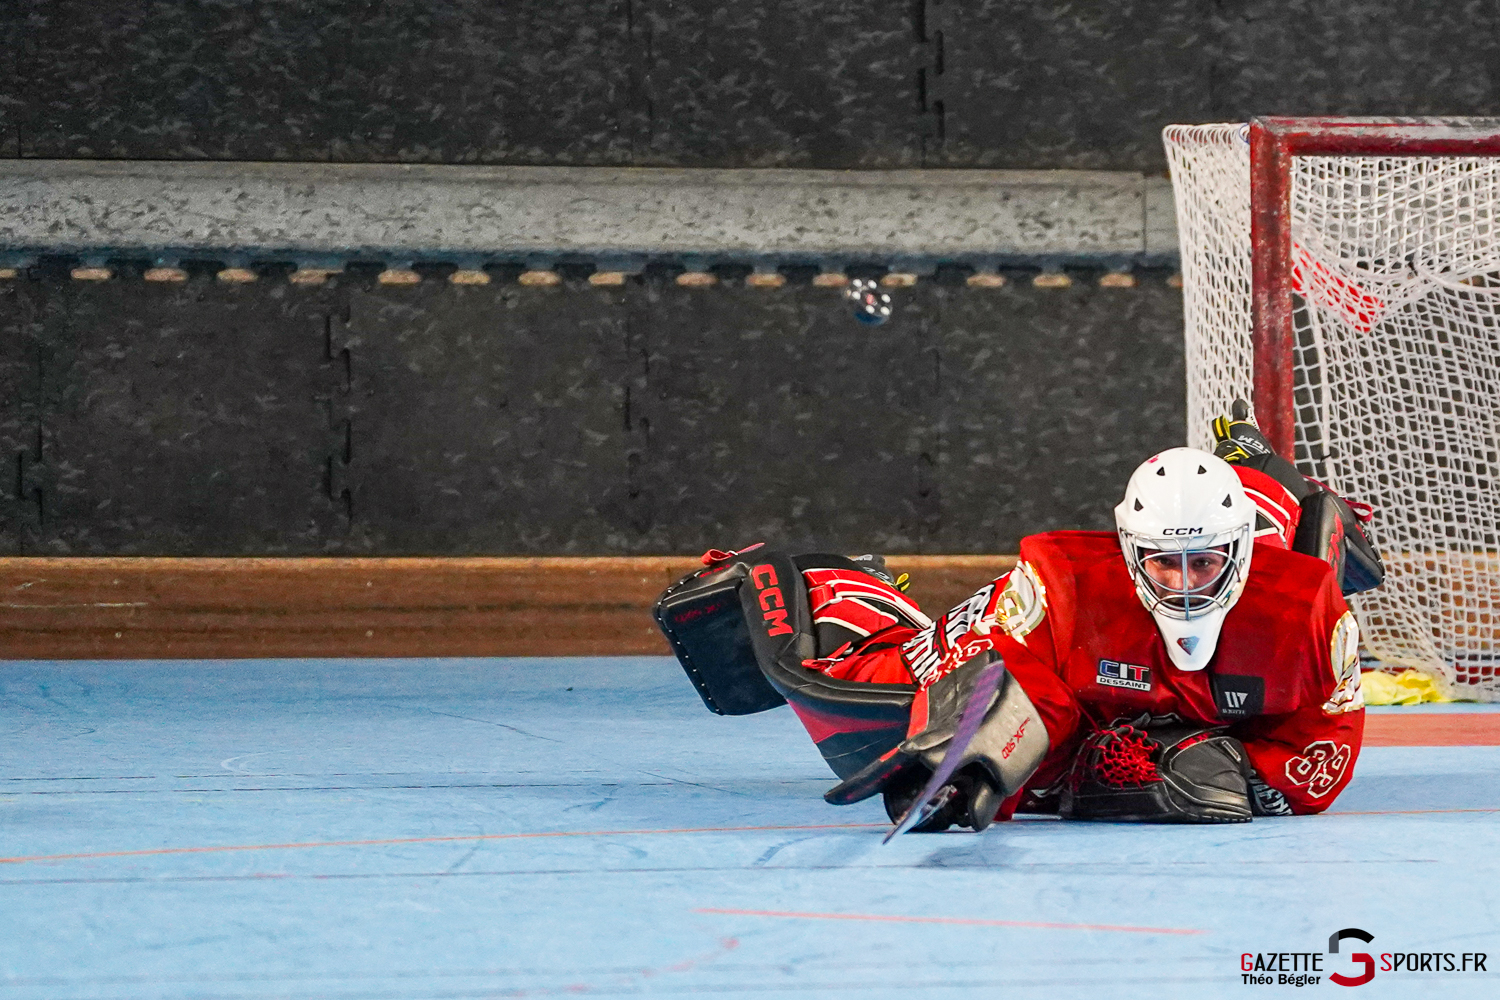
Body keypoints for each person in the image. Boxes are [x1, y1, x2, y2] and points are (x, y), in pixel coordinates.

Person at [654, 403, 1384, 830]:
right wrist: (987, 765)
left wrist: (1222, 768)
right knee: (852, 687)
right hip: (1012, 643)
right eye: (1165, 562)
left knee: (1289, 529)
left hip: (1168, 659)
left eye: (1206, 563)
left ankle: (1261, 465)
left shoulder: (1312, 611)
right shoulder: (1063, 589)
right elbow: (1018, 693)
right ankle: (833, 578)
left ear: (1241, 552)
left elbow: (1322, 763)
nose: (1186, 583)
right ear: (1130, 552)